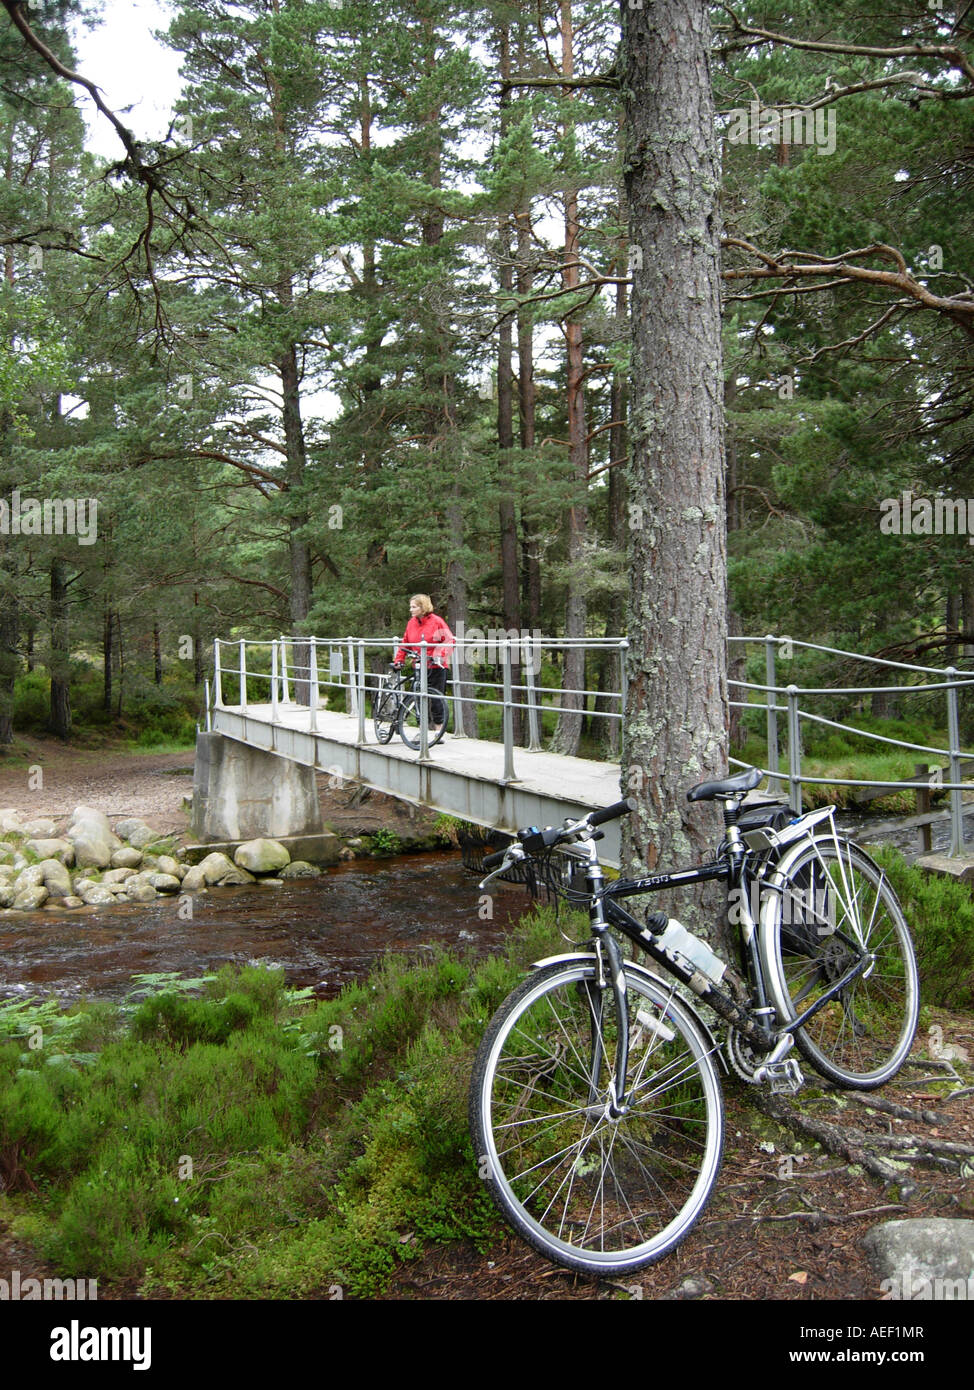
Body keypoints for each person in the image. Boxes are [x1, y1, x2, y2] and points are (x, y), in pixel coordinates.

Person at [393, 594, 454, 734]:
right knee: (419, 697)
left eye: (414, 607)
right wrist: (399, 660)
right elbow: (405, 642)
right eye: (410, 607)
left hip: (436, 666)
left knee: (437, 698)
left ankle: (439, 731)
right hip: (419, 665)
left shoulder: (436, 622)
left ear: (423, 607)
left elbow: (449, 640)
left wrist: (439, 654)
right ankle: (423, 730)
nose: (411, 610)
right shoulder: (411, 623)